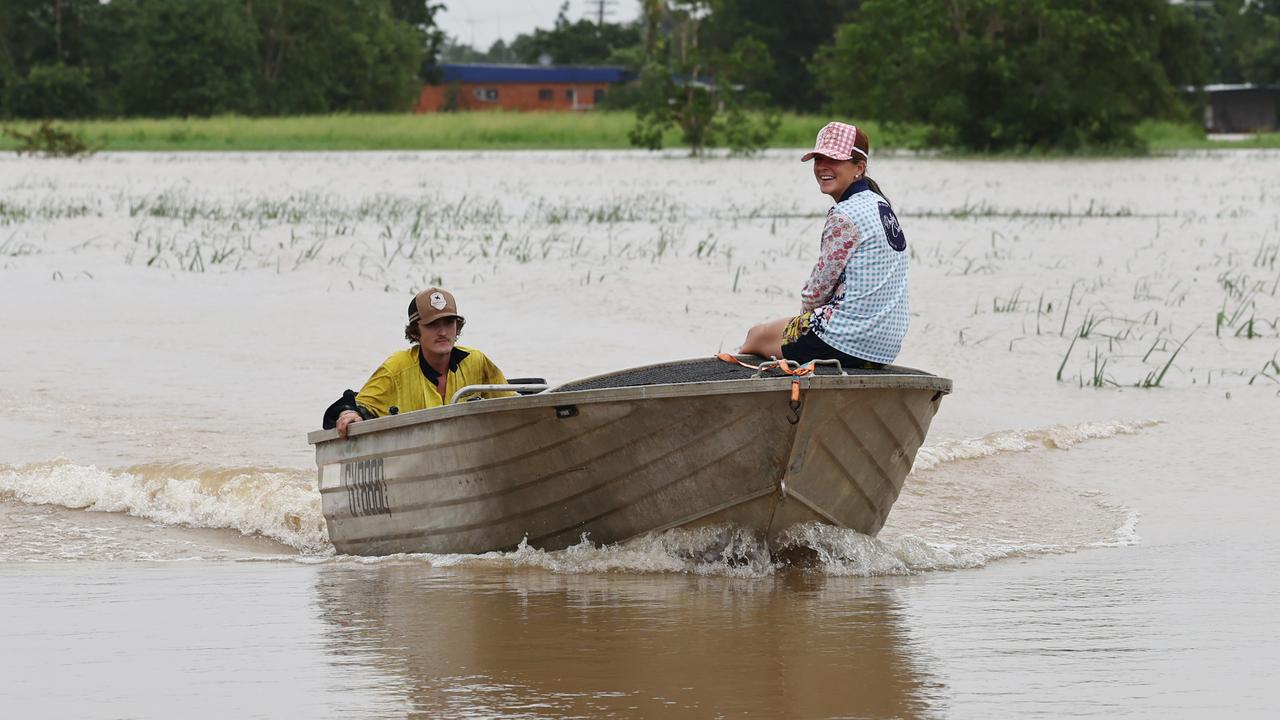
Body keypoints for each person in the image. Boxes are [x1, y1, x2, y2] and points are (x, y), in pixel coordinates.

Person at [740, 121, 909, 368]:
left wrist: (802, 322)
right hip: (885, 345)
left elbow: (817, 291)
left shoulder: (845, 214)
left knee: (756, 336)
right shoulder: (880, 205)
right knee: (775, 335)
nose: (822, 167)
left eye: (835, 160)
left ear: (859, 167)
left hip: (846, 340)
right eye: (819, 159)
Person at [326, 287, 511, 438]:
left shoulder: (477, 361)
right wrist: (348, 414)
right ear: (415, 332)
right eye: (432, 325)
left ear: (457, 328)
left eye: (449, 322)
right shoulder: (396, 368)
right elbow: (355, 405)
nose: (443, 332)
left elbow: (512, 404)